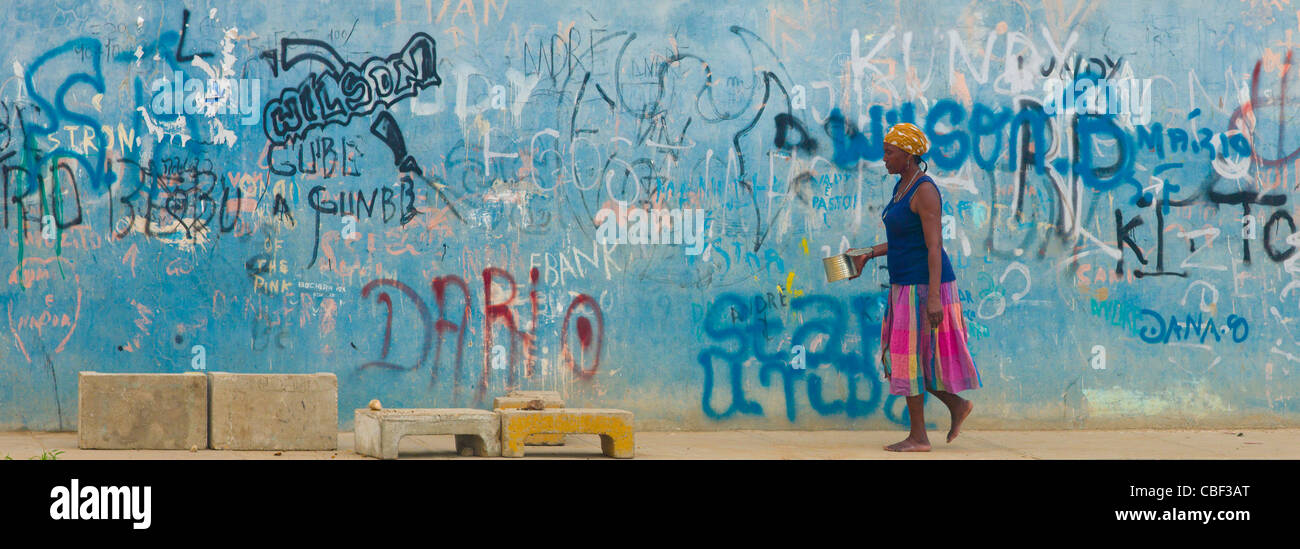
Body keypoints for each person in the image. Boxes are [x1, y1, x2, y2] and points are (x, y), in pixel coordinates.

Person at [851, 122, 981, 452]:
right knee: (908, 360)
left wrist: (934, 299)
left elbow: (934, 246)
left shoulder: (923, 189)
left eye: (889, 152)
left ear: (908, 155)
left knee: (909, 360)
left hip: (924, 286)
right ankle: (956, 406)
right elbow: (903, 240)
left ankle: (919, 438)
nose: (884, 158)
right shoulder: (902, 186)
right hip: (904, 285)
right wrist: (867, 254)